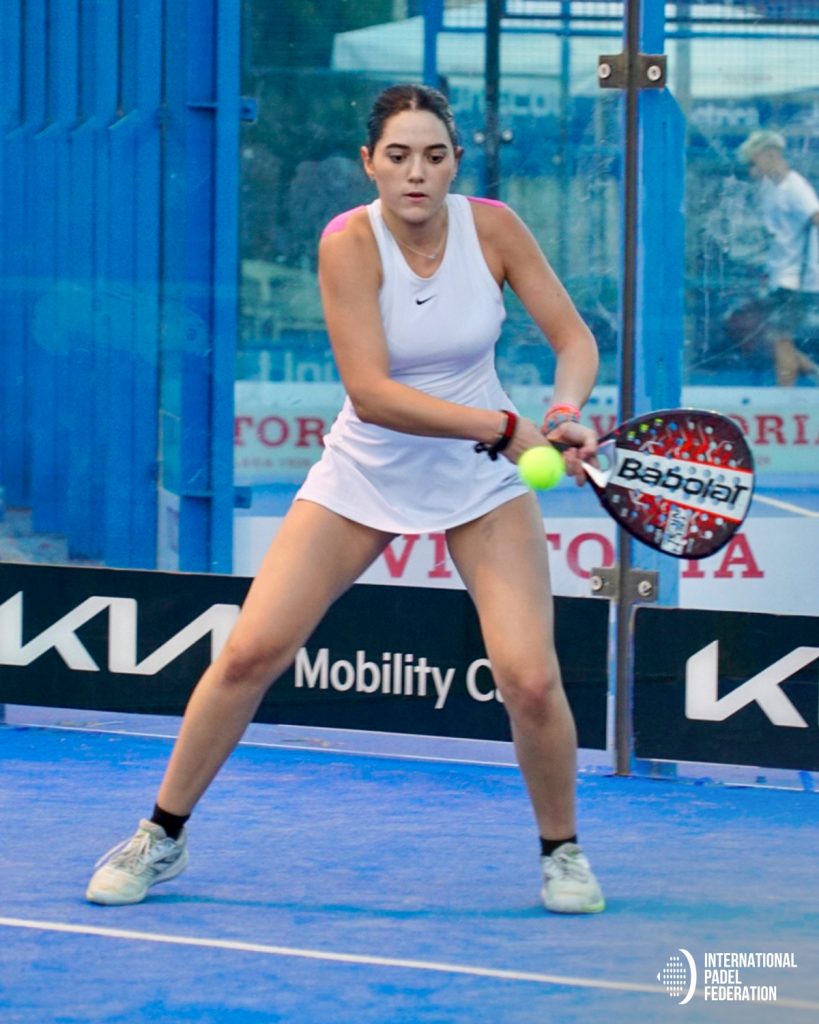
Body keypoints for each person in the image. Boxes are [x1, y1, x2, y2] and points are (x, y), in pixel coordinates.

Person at [86, 84, 605, 915]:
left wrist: (564, 410)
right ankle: (161, 834)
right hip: (366, 471)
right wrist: (505, 426)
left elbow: (573, 338)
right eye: (397, 156)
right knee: (250, 653)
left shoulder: (495, 229)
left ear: (455, 163)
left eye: (432, 156)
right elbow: (371, 394)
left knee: (530, 680)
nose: (415, 173)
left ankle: (562, 851)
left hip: (480, 482)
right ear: (370, 163)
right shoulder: (348, 242)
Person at [738, 129, 819, 385]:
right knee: (774, 338)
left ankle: (785, 397)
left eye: (753, 162)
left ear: (770, 155)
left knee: (780, 338)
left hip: (796, 280)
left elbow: (816, 216)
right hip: (780, 276)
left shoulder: (796, 187)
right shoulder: (772, 188)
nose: (751, 171)